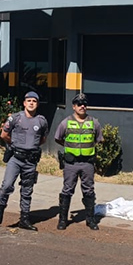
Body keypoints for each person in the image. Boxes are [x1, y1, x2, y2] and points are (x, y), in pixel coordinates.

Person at [0, 91, 49, 231]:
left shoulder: (41, 121)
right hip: (15, 158)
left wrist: (30, 147)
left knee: (27, 190)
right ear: (24, 103)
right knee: (7, 185)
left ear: (37, 104)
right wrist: (15, 144)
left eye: (34, 101)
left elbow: (43, 139)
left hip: (31, 161)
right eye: (29, 101)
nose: (31, 103)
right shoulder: (16, 118)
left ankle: (24, 219)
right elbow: (4, 134)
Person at [54, 93, 103, 230]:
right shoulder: (66, 122)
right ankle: (63, 219)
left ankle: (90, 219)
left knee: (89, 190)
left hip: (88, 163)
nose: (82, 106)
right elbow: (58, 138)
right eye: (79, 104)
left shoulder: (94, 122)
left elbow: (99, 139)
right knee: (67, 190)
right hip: (71, 163)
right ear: (73, 107)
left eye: (84, 104)